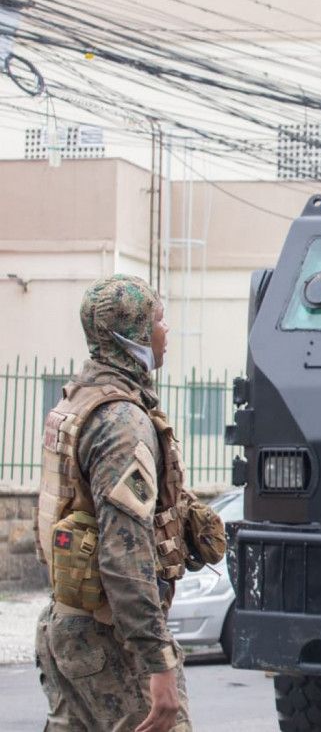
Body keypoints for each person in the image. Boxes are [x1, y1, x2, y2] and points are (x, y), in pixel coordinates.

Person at [34, 274, 191, 732]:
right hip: (113, 642)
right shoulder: (122, 422)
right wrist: (157, 661)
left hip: (66, 627)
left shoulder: (80, 401)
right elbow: (125, 553)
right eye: (159, 321)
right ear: (134, 336)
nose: (167, 331)